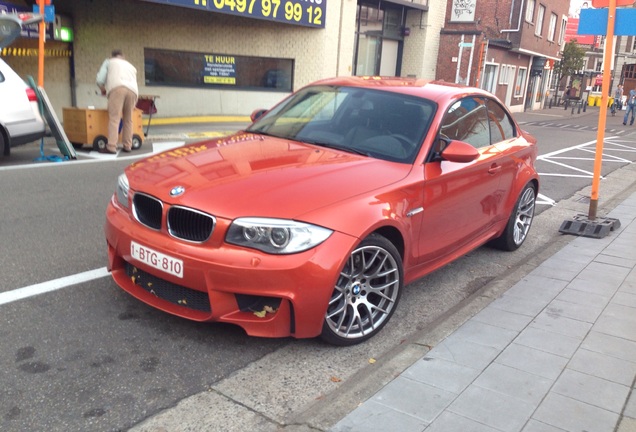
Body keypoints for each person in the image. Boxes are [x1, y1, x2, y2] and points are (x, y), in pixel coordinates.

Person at [96, 49, 139, 154]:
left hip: (117, 88)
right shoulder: (130, 66)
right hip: (133, 91)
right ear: (122, 56)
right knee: (128, 119)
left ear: (112, 56)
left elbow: (100, 80)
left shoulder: (109, 62)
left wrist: (103, 90)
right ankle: (128, 145)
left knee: (114, 118)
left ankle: (111, 146)